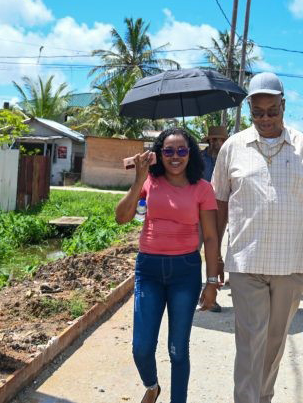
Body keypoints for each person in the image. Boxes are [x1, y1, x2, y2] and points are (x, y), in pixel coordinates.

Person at [213, 72, 303, 403]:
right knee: (250, 340)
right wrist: (212, 253)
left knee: (274, 340)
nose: (265, 119)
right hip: (245, 261)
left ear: (284, 106)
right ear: (250, 109)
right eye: (258, 113)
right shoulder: (233, 148)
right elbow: (219, 203)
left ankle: (262, 397)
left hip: (290, 264)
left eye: (273, 111)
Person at [115, 128, 222, 403]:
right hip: (148, 270)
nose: (176, 157)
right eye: (169, 151)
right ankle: (152, 386)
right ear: (158, 154)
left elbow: (210, 238)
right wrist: (139, 179)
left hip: (184, 272)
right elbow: (122, 218)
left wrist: (211, 283)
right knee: (141, 348)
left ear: (191, 153)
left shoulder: (202, 188)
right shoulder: (149, 181)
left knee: (178, 350)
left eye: (182, 150)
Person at [200, 125, 229, 313]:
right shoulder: (198, 159)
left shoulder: (228, 159)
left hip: (220, 210)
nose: (219, 143)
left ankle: (213, 296)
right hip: (198, 210)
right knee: (193, 252)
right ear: (210, 140)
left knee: (215, 253)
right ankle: (195, 290)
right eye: (216, 140)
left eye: (222, 140)